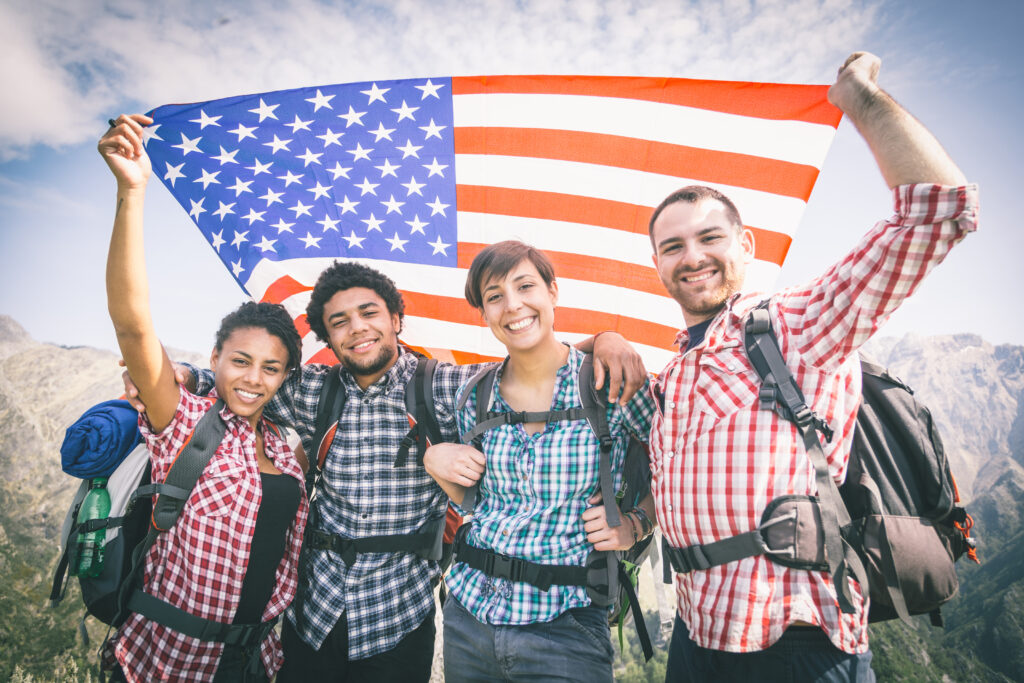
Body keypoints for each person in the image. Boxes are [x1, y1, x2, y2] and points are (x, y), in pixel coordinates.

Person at [136, 260, 648, 682]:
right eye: (340, 322)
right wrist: (187, 375)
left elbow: (533, 359)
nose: (357, 328)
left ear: (396, 319)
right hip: (312, 610)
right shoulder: (313, 390)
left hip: (397, 616)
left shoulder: (445, 385)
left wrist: (604, 339)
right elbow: (243, 380)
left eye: (369, 313)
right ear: (328, 338)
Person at [648, 52, 977, 682]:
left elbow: (941, 208)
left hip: (800, 647)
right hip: (695, 643)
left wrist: (862, 99)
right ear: (658, 265)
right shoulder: (673, 373)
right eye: (673, 246)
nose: (692, 257)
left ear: (745, 245)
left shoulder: (799, 326)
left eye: (710, 238)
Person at [99, 114, 308, 682]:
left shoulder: (288, 453)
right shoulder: (184, 419)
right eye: (240, 361)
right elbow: (134, 327)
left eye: (271, 368)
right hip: (162, 664)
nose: (253, 379)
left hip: (254, 664)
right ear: (214, 358)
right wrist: (132, 192)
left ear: (285, 378)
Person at [422, 241, 658, 683]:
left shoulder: (607, 382)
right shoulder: (474, 394)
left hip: (566, 625)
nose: (513, 306)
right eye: (495, 296)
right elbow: (476, 502)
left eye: (525, 286)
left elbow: (675, 469)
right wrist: (434, 461)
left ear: (553, 291)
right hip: (468, 617)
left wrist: (636, 523)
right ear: (485, 314)